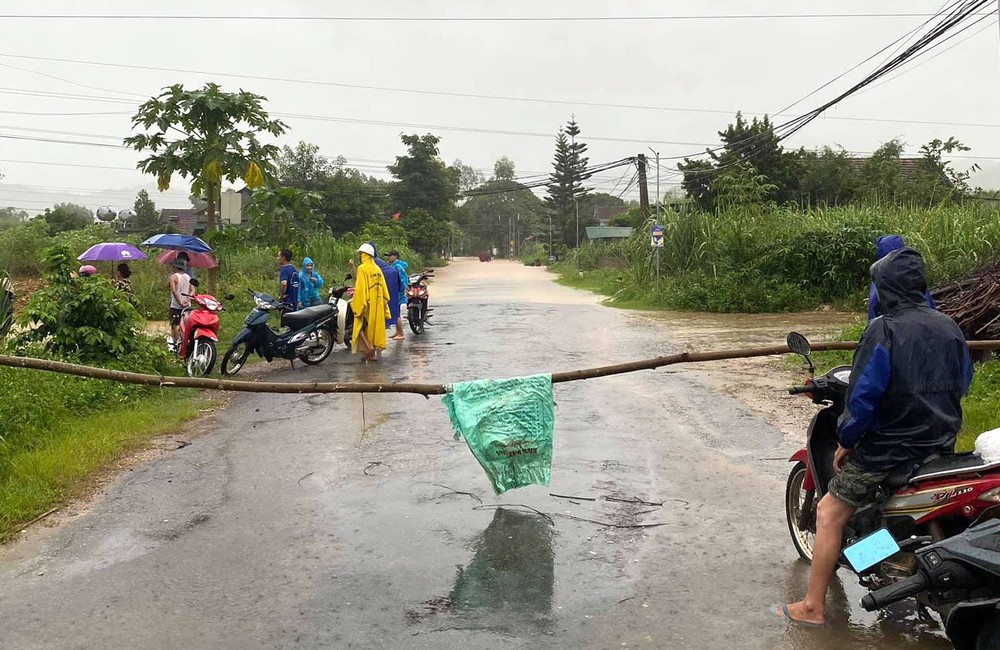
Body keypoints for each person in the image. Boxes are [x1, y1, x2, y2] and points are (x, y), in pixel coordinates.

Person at [776, 247, 972, 627]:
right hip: (941, 444)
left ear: (884, 288)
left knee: (829, 511)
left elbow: (864, 397)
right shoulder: (949, 327)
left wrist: (846, 439)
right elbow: (963, 383)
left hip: (890, 448)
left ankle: (813, 607)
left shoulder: (883, 329)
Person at [868, 234, 935, 320]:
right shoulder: (912, 272)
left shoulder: (879, 277)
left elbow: (873, 308)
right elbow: (928, 303)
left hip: (892, 326)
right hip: (922, 322)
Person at [349, 243, 390, 362]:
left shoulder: (362, 268)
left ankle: (369, 348)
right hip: (378, 303)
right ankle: (373, 354)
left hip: (367, 303)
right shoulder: (377, 268)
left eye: (360, 254)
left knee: (358, 325)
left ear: (364, 254)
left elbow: (361, 287)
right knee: (373, 327)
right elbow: (383, 288)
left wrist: (358, 305)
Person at [167, 258, 191, 349]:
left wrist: (180, 301)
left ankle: (177, 344)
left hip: (176, 306)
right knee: (184, 325)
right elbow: (192, 290)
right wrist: (187, 300)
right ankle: (185, 343)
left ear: (175, 267)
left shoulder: (173, 277)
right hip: (187, 306)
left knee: (175, 325)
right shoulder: (188, 277)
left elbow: (173, 291)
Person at [386, 250, 409, 341]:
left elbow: (402, 280)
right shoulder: (394, 266)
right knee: (396, 312)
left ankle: (401, 333)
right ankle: (398, 332)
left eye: (390, 255)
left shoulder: (397, 267)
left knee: (396, 314)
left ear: (395, 256)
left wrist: (401, 290)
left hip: (397, 292)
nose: (388, 257)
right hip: (395, 292)